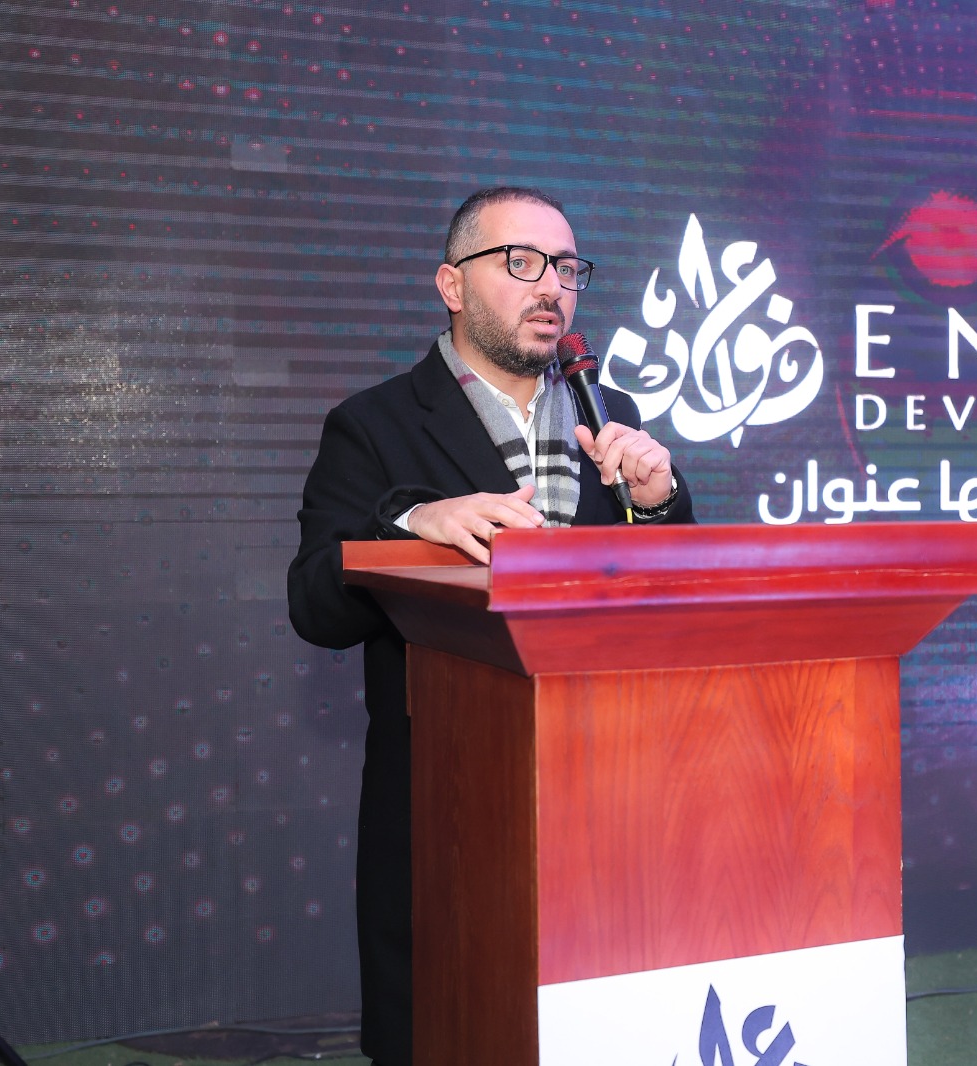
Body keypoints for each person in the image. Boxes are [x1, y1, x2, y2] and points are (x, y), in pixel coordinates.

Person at [286, 186, 694, 1066]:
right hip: (451, 804)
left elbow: (670, 603)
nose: (552, 287)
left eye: (568, 268)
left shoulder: (609, 412)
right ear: (453, 285)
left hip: (610, 793)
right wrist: (409, 525)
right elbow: (314, 605)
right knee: (453, 1026)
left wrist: (660, 503)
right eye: (522, 262)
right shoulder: (375, 425)